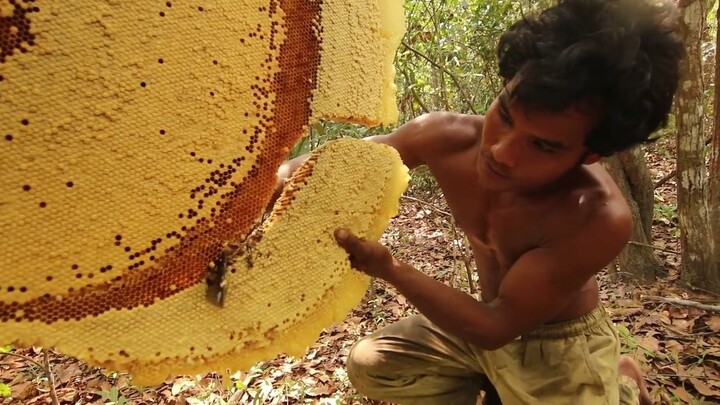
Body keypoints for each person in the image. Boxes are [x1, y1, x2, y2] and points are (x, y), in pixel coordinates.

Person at [275, 0, 683, 403]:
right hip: (476, 323)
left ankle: (622, 384)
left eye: (541, 145)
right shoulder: (443, 137)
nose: (502, 150)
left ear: (590, 154)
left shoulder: (596, 217)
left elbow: (498, 325)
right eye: (505, 114)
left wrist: (389, 269)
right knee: (371, 365)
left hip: (552, 345)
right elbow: (351, 162)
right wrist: (274, 179)